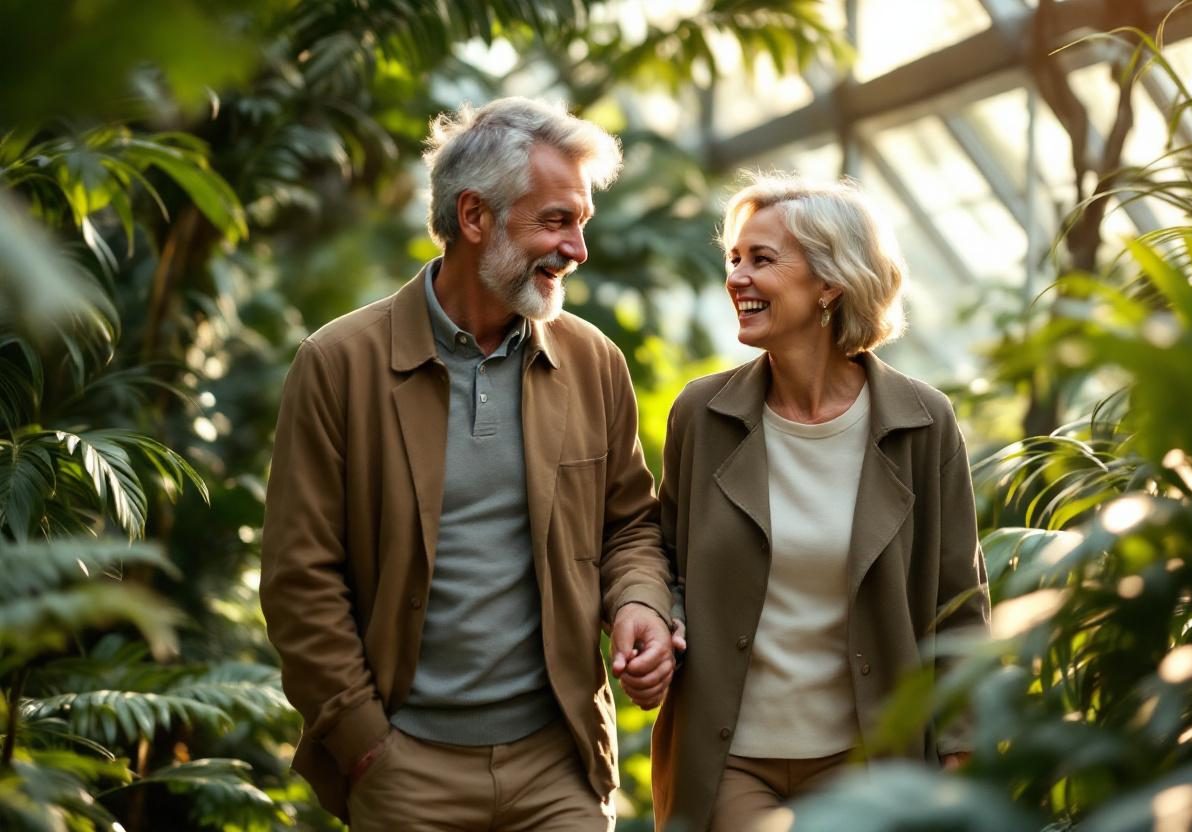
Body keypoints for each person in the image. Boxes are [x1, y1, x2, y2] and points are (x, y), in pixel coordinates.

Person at [260, 97, 677, 831]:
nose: (578, 249)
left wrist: (640, 601)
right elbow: (301, 578)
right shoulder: (338, 364)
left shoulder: (593, 362)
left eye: (581, 221)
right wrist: (364, 746)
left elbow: (629, 525)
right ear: (475, 217)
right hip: (404, 770)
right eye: (557, 221)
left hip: (560, 767)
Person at [648, 175, 991, 832]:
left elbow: (960, 604)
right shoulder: (702, 414)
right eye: (735, 259)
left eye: (762, 259)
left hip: (870, 762)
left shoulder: (923, 422)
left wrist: (961, 752)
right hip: (728, 760)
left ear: (830, 283)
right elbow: (665, 559)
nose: (737, 278)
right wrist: (657, 620)